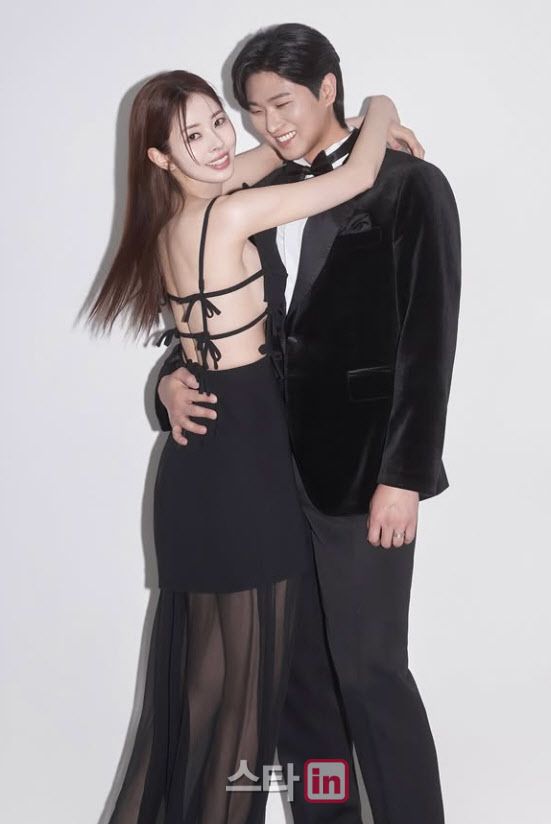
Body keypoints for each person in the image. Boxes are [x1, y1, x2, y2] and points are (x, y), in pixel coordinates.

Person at [88, 68, 415, 824]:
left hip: (203, 466)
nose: (217, 142)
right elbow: (355, 176)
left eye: (217, 121)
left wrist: (328, 130)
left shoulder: (184, 215)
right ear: (159, 158)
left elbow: (276, 153)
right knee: (237, 712)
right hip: (243, 465)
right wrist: (379, 107)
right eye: (192, 135)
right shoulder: (229, 215)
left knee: (202, 701)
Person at [155, 24, 462, 824]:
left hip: (360, 478)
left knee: (368, 672)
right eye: (253, 110)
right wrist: (167, 383)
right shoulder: (249, 198)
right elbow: (220, 326)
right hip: (259, 476)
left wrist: (403, 477)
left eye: (281, 104)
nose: (268, 125)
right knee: (295, 688)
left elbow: (427, 345)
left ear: (328, 88)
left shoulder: (408, 185)